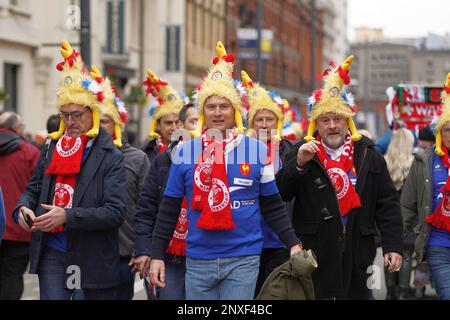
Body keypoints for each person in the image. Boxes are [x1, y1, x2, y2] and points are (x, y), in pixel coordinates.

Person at [148, 41, 302, 300]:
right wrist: (156, 254)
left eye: (224, 106)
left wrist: (293, 243)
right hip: (198, 259)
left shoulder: (255, 150)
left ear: (234, 111)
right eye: (211, 106)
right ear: (203, 111)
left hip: (243, 258)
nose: (218, 113)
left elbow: (272, 204)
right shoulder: (185, 151)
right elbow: (169, 208)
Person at [277, 56, 404, 299]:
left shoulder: (368, 154)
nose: (332, 125)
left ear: (348, 122)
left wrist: (393, 246)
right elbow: (281, 192)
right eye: (325, 120)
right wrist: (299, 165)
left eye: (338, 119)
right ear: (317, 123)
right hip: (315, 253)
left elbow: (387, 205)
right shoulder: (302, 152)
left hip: (358, 250)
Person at [14, 40, 126, 300]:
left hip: (91, 255)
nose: (70, 122)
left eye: (76, 114)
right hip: (51, 251)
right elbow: (33, 188)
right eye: (64, 115)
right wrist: (23, 207)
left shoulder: (111, 156)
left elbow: (115, 212)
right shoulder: (52, 146)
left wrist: (68, 216)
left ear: (93, 113)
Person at [91, 66, 150, 300]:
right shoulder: (79, 157)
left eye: (104, 121)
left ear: (116, 124)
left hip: (122, 252)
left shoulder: (137, 158)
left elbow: (146, 206)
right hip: (86, 252)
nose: (97, 126)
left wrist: (142, 248)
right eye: (94, 120)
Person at [133, 101, 197, 300]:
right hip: (171, 257)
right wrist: (144, 250)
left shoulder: (225, 160)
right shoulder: (163, 161)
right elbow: (146, 209)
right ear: (181, 126)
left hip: (207, 255)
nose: (198, 125)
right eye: (194, 121)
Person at [240, 70, 293, 296]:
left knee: (275, 294)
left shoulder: (290, 152)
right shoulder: (240, 151)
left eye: (269, 119)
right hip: (248, 240)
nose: (263, 124)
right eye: (259, 120)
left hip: (279, 240)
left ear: (277, 123)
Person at [402, 73, 450, 300]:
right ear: (439, 131)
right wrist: (402, 242)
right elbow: (407, 204)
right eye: (448, 128)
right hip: (437, 244)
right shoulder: (423, 161)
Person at [0, 112, 40, 299]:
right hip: (18, 228)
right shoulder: (29, 152)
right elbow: (38, 189)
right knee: (12, 277)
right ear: (17, 129)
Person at [383, 127, 415, 299]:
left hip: (388, 214)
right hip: (407, 214)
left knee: (388, 252)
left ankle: (390, 291)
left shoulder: (384, 161)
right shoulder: (413, 163)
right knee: (406, 253)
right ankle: (403, 291)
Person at [140, 69, 184, 162]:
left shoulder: (190, 150)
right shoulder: (145, 153)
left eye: (177, 122)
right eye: (168, 123)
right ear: (157, 125)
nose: (174, 127)